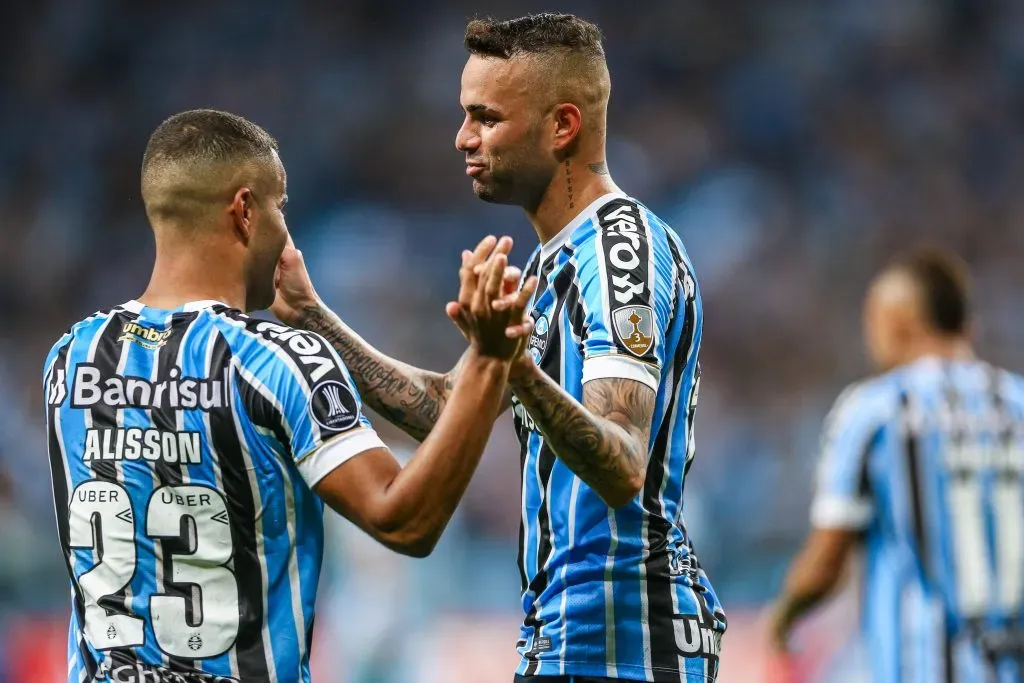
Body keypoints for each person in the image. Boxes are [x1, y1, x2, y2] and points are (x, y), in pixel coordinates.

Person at [271, 13, 725, 683]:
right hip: (569, 636)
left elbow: (624, 461)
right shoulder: (551, 263)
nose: (463, 137)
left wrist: (517, 368)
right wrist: (312, 318)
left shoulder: (618, 250)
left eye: (486, 118)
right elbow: (446, 410)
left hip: (627, 642)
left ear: (562, 126)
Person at [43, 109, 535, 683]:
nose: (286, 235)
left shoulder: (70, 358)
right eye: (281, 207)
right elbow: (406, 522)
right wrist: (488, 360)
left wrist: (312, 317)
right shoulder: (276, 362)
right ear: (245, 211)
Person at [768, 249, 1024, 683]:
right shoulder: (1017, 404)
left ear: (899, 322)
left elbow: (829, 556)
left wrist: (784, 616)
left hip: (921, 668)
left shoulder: (875, 410)